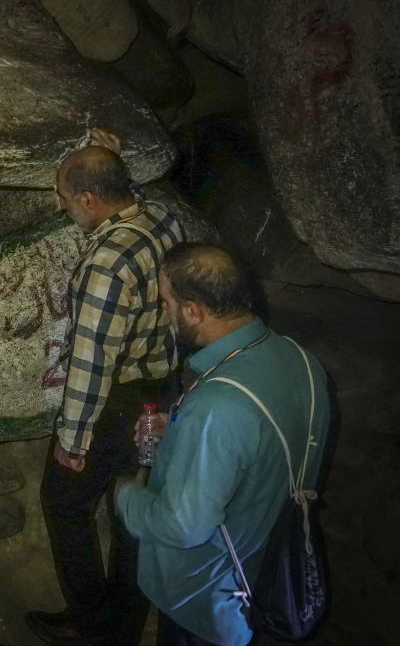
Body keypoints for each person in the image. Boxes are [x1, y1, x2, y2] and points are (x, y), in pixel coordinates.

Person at [115, 243, 331, 646]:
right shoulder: (300, 359)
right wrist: (183, 433)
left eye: (166, 302)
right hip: (267, 563)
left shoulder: (216, 405)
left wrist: (126, 498)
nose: (163, 311)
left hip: (209, 602)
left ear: (193, 311)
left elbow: (183, 525)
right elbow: (257, 447)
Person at [27, 129, 184, 644]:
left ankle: (91, 619)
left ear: (90, 200)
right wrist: (108, 159)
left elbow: (92, 362)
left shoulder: (106, 267)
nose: (62, 204)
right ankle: (123, 625)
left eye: (68, 198)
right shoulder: (162, 217)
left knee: (65, 501)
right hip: (161, 390)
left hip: (117, 402)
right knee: (130, 506)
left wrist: (73, 442)